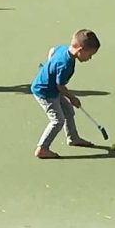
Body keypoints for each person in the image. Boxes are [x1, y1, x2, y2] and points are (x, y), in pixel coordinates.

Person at [31, 28, 100, 158]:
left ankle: (73, 138)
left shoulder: (64, 49)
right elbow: (60, 86)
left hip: (53, 89)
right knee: (58, 120)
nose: (90, 58)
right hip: (45, 92)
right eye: (90, 55)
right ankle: (42, 148)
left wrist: (49, 65)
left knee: (68, 111)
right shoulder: (65, 64)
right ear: (80, 50)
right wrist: (72, 98)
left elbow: (52, 50)